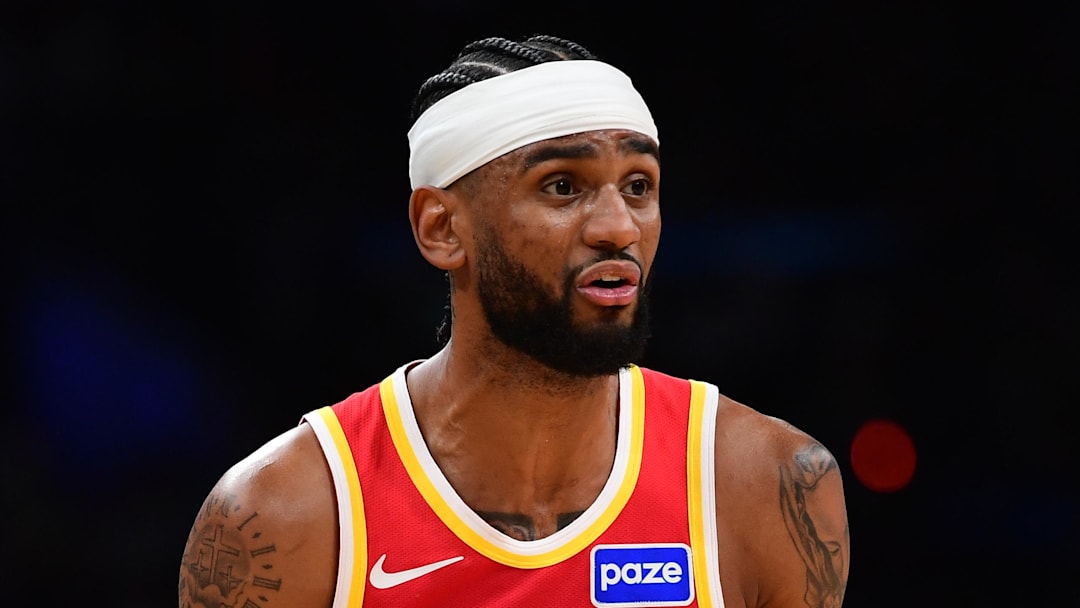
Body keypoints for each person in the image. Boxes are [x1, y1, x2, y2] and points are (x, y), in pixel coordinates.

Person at [177, 33, 850, 608]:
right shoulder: (283, 517)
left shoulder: (768, 484)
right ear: (441, 229)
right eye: (563, 186)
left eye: (638, 186)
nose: (619, 226)